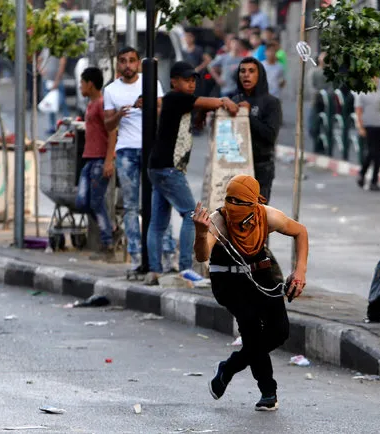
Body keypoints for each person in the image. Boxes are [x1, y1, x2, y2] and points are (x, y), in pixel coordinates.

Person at [192, 174, 308, 411]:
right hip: (228, 281)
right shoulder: (218, 220)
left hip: (261, 274)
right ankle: (268, 392)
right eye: (229, 200)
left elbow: (300, 232)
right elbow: (203, 256)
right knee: (252, 329)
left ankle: (230, 367)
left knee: (280, 331)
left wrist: (300, 272)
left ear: (253, 204)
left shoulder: (267, 215)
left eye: (239, 202)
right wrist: (201, 233)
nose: (232, 206)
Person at [144, 61, 239, 286]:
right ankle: (185, 268)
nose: (191, 84)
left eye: (193, 81)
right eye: (186, 80)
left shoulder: (179, 102)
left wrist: (202, 111)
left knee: (158, 222)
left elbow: (199, 108)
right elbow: (212, 103)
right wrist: (226, 101)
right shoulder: (176, 98)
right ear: (174, 81)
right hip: (168, 168)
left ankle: (154, 271)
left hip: (158, 167)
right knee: (191, 214)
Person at [104, 47, 177, 271]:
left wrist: (148, 106)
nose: (128, 65)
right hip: (126, 150)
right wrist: (120, 114)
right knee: (130, 206)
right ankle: (136, 256)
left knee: (159, 202)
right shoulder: (111, 90)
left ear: (138, 63)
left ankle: (168, 254)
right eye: (123, 61)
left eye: (132, 61)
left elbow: (163, 110)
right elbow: (107, 125)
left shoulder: (151, 82)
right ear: (118, 65)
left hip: (150, 149)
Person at [75, 67, 119, 262]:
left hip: (100, 159)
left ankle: (108, 241)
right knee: (82, 201)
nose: (80, 86)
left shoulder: (101, 104)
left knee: (94, 201)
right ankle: (112, 229)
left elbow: (112, 132)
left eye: (82, 83)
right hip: (89, 159)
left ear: (90, 84)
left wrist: (109, 161)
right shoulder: (91, 104)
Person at [232, 57, 282, 202]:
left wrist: (247, 116)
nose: (246, 75)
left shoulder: (271, 103)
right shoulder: (235, 101)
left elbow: (270, 135)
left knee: (257, 215)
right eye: (242, 71)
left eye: (251, 71)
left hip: (261, 167)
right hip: (237, 167)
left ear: (259, 75)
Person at [355, 77, 380, 192]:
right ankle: (362, 173)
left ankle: (374, 181)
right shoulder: (362, 94)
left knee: (378, 155)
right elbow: (358, 111)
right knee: (371, 152)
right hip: (368, 125)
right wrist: (360, 126)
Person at [40, 50, 70, 135]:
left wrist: (57, 81)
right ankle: (52, 126)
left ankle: (68, 125)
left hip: (57, 81)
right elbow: (39, 59)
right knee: (50, 105)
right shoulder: (46, 49)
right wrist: (41, 70)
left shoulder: (59, 49)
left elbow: (62, 64)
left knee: (62, 103)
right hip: (47, 81)